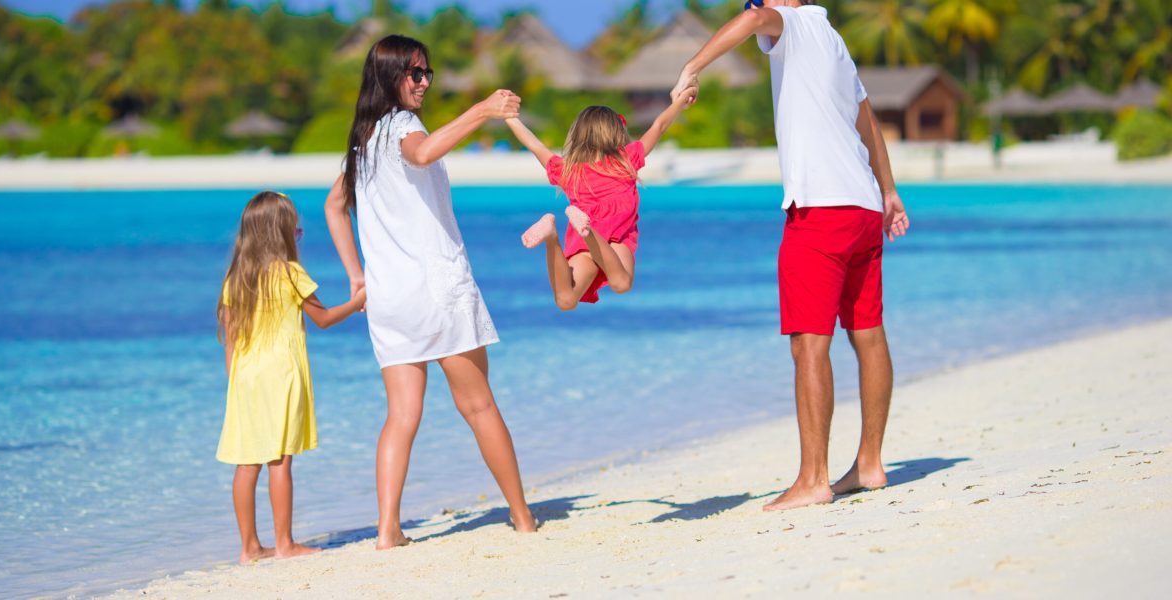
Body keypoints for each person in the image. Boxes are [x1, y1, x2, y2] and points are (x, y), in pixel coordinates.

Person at [671, 0, 910, 510]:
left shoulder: (792, 24)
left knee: (808, 345)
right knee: (868, 335)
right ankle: (869, 464)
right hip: (864, 207)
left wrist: (692, 67)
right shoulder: (835, 41)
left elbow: (757, 19)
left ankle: (814, 479)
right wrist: (889, 192)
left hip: (820, 211)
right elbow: (868, 126)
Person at [323, 34, 538, 549]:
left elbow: (335, 206)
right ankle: (523, 517)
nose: (422, 82)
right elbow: (422, 154)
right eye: (413, 73)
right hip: (436, 288)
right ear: (389, 77)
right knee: (479, 406)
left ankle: (387, 531)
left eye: (426, 73)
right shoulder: (401, 125)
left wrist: (357, 276)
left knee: (401, 415)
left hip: (391, 298)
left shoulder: (363, 140)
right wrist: (482, 110)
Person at [216, 191, 367, 563]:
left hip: (244, 379)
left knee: (246, 461)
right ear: (280, 233)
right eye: (294, 228)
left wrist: (234, 381)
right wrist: (360, 302)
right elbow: (325, 318)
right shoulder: (291, 273)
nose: (298, 232)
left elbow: (230, 338)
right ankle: (284, 544)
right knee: (280, 460)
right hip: (281, 375)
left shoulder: (236, 278)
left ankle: (249, 548)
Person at [505, 92, 692, 309]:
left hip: (582, 247)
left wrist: (510, 117)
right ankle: (588, 231)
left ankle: (552, 237)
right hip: (616, 241)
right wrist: (679, 103)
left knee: (566, 301)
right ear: (615, 132)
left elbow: (535, 145)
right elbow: (659, 126)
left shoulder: (568, 170)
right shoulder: (626, 161)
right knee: (621, 283)